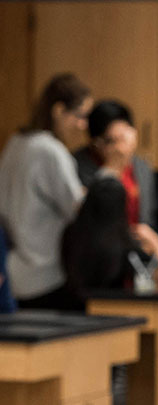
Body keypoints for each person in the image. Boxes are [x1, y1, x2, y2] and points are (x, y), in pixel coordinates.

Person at [0, 73, 101, 309]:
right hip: (45, 275)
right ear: (58, 110)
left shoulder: (15, 143)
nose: (83, 125)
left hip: (14, 272)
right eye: (79, 115)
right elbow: (77, 210)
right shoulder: (51, 151)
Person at [61, 177, 158, 310]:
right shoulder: (125, 244)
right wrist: (156, 241)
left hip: (70, 310)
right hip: (114, 312)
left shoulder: (70, 235)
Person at [74, 99, 156, 226]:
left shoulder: (141, 167)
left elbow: (146, 217)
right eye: (112, 141)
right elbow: (87, 213)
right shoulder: (76, 165)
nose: (120, 148)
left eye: (123, 138)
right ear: (96, 143)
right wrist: (111, 168)